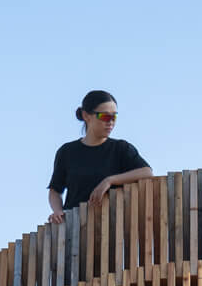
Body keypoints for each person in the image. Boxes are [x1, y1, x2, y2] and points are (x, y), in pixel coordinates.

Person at [47, 91, 153, 224]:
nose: (111, 122)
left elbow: (146, 172)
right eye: (105, 116)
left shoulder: (121, 148)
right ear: (86, 116)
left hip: (112, 227)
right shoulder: (67, 152)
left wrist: (110, 180)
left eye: (114, 117)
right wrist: (57, 211)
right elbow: (55, 190)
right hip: (74, 228)